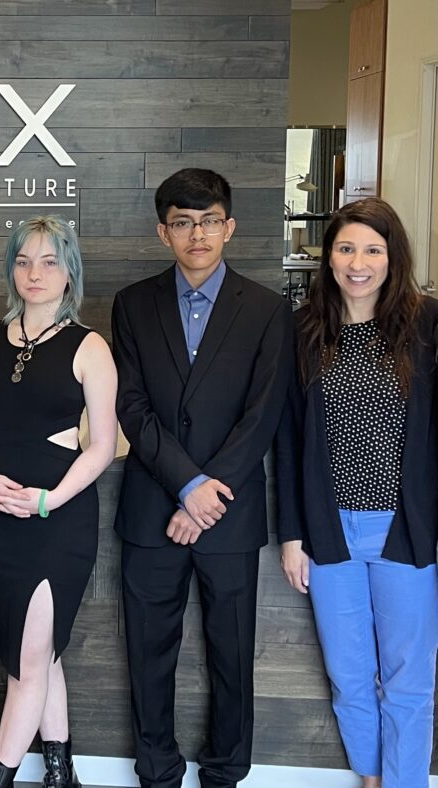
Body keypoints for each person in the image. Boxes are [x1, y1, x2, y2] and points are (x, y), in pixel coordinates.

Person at [112, 168, 293, 788]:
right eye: (183, 223)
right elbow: (131, 406)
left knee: (231, 656)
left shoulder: (267, 309)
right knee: (148, 655)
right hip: (151, 511)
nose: (198, 234)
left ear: (229, 227)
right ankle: (157, 772)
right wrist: (188, 486)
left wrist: (206, 494)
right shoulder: (133, 304)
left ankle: (225, 773)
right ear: (163, 232)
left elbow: (262, 414)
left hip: (229, 514)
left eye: (210, 221)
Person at [277, 198, 438, 788]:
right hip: (330, 529)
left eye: (373, 249)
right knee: (349, 678)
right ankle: (371, 780)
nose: (358, 263)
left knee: (408, 681)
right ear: (329, 257)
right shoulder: (302, 331)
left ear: (393, 257)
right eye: (346, 248)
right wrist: (292, 534)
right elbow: (288, 440)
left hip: (408, 529)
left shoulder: (426, 324)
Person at [0, 216, 118, 788]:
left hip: (59, 519)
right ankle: (60, 772)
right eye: (24, 260)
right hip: (0, 516)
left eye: (50, 261)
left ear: (69, 271)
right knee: (37, 651)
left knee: (28, 657)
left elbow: (102, 446)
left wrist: (49, 500)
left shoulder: (90, 346)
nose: (35, 272)